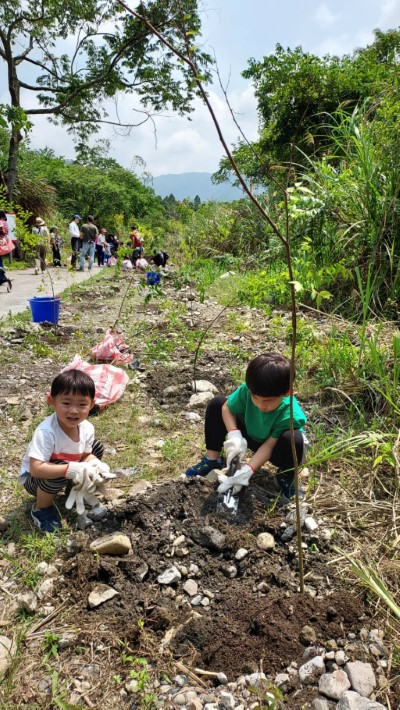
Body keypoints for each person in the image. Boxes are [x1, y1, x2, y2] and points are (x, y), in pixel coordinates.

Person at [184, 352, 307, 500]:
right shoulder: (247, 391)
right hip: (252, 433)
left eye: (268, 400)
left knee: (294, 438)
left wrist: (248, 470)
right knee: (217, 404)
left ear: (287, 392)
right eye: (255, 398)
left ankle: (285, 477)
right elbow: (227, 408)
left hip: (277, 447)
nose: (261, 405)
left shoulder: (290, 414)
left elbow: (268, 447)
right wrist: (234, 435)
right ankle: (212, 460)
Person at [19, 370, 112, 532]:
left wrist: (96, 464)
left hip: (63, 467)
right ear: (52, 401)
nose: (74, 410)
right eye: (66, 403)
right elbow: (36, 468)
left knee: (96, 447)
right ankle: (41, 509)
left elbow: (85, 455)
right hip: (36, 480)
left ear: (91, 404)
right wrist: (72, 469)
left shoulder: (87, 428)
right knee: (60, 470)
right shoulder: (47, 432)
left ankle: (74, 490)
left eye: (82, 404)